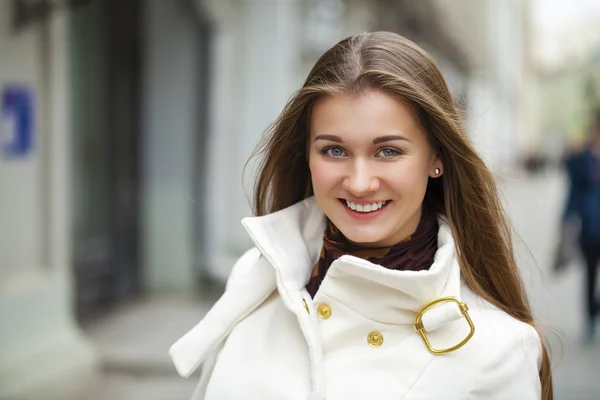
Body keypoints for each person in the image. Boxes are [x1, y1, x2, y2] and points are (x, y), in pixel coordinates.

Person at [170, 32, 552, 399]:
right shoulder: (256, 280)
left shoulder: (498, 348)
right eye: (334, 151)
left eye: (388, 152)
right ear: (307, 156)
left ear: (437, 158)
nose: (359, 182)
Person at [562, 110, 600, 343]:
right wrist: (566, 220)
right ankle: (589, 319)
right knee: (590, 274)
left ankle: (594, 309)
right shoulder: (582, 157)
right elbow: (572, 185)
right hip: (590, 226)